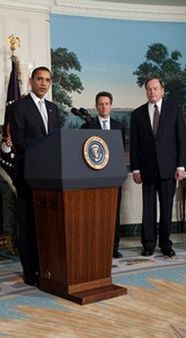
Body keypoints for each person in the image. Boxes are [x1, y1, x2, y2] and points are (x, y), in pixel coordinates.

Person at [10, 66, 61, 286]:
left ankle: (47, 266)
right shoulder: (19, 107)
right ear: (31, 81)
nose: (43, 83)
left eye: (47, 80)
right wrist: (44, 146)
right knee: (29, 223)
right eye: (39, 79)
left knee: (46, 224)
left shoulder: (53, 108)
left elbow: (57, 139)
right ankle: (30, 270)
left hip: (50, 176)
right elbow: (19, 141)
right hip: (28, 174)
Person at [130, 77, 186, 257]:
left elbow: (181, 140)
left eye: (155, 88)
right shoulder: (137, 114)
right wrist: (136, 169)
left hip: (169, 168)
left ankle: (165, 244)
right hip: (147, 169)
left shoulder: (175, 111)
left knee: (166, 207)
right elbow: (134, 145)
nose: (152, 92)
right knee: (148, 209)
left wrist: (181, 166)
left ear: (162, 90)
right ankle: (148, 244)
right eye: (149, 89)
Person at [84, 91, 126, 258]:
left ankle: (114, 247)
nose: (104, 106)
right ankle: (97, 245)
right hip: (95, 177)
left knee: (114, 212)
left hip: (114, 176)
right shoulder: (87, 127)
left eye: (107, 103)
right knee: (96, 212)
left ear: (111, 106)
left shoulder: (119, 127)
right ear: (96, 107)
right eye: (100, 104)